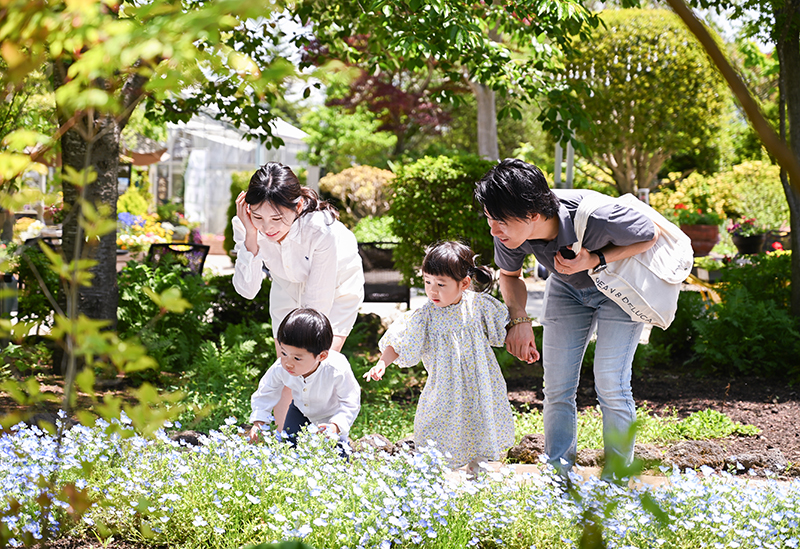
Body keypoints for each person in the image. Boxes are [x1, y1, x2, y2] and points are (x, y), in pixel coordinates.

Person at [474, 158, 660, 473]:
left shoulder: (598, 215)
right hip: (566, 290)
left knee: (610, 383)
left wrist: (596, 258)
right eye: (489, 218)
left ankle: (616, 482)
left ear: (532, 215)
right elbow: (509, 275)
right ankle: (559, 478)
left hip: (617, 290)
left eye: (500, 220)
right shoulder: (507, 233)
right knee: (557, 387)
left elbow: (649, 234)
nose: (493, 229)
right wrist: (519, 319)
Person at [232, 162, 364, 430]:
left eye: (277, 219)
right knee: (287, 366)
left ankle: (324, 440)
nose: (267, 227)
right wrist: (250, 235)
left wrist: (302, 341)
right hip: (287, 286)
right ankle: (283, 446)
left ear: (299, 206)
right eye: (258, 217)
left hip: (336, 287)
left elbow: (318, 303)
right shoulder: (247, 225)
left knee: (313, 365)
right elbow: (247, 290)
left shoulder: (320, 229)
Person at [363, 241, 515, 474]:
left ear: (464, 283)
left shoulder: (478, 306)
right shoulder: (425, 316)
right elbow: (401, 340)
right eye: (427, 282)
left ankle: (479, 482)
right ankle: (433, 485)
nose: (433, 291)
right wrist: (382, 363)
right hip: (444, 391)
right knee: (434, 431)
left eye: (441, 284)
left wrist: (523, 345)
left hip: (481, 387)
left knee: (481, 429)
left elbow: (503, 329)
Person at [249, 308, 361, 448]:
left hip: (331, 415)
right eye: (283, 353)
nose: (288, 363)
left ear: (322, 356)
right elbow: (266, 390)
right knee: (290, 446)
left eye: (297, 358)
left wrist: (335, 426)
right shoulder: (280, 367)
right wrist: (259, 422)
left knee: (339, 454)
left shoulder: (336, 368)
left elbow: (350, 401)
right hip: (299, 410)